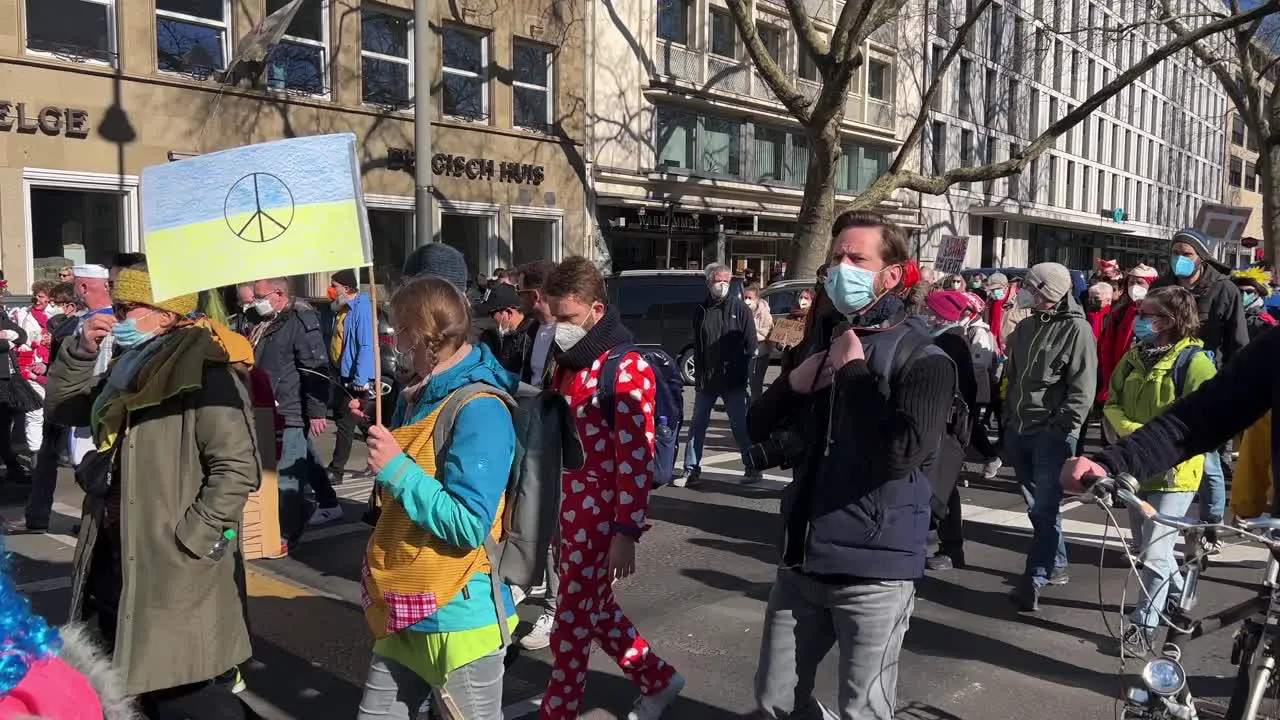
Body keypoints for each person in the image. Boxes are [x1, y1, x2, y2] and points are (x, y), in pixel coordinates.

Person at [747, 211, 956, 720]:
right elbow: (756, 429)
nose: (842, 268)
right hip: (801, 558)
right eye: (836, 258)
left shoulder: (927, 357)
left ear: (893, 274)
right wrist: (793, 385)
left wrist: (855, 371)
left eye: (856, 258)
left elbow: (901, 452)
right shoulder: (824, 340)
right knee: (774, 699)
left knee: (863, 708)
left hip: (876, 570)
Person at [44, 266, 258, 717]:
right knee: (120, 684)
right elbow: (64, 407)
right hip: (111, 552)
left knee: (184, 693)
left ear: (166, 314)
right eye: (117, 305)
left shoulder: (206, 371)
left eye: (129, 307)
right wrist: (82, 350)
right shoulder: (129, 366)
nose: (117, 316)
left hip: (169, 563)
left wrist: (192, 539)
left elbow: (237, 467)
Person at [355, 275, 517, 720]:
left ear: (425, 335)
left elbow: (469, 524)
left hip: (459, 612)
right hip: (406, 601)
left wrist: (397, 468)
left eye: (400, 331)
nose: (394, 341)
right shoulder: (418, 394)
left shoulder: (482, 408)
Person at [539, 257, 684, 720]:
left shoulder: (625, 368)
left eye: (567, 318)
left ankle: (557, 711)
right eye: (554, 317)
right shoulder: (570, 363)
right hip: (569, 507)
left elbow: (635, 459)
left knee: (572, 621)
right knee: (592, 608)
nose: (559, 328)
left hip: (600, 514)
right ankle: (658, 678)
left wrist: (627, 531)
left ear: (597, 310)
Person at [1100, 286, 1216, 654]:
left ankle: (1143, 626)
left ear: (1172, 320)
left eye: (1148, 314)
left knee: (1152, 553)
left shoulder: (1196, 363)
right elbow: (1111, 401)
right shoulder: (1135, 356)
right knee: (1152, 551)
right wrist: (1135, 434)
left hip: (1174, 474)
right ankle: (1182, 592)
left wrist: (1148, 438)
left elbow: (1202, 420)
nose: (1140, 320)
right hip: (1137, 470)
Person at [1003, 262, 1097, 612]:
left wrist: (1060, 429)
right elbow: (1013, 380)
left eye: (1032, 287)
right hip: (1020, 431)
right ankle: (1056, 564)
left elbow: (1082, 391)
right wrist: (1009, 420)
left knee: (1043, 508)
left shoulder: (1078, 331)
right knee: (1038, 509)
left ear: (1050, 292)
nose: (1024, 292)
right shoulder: (1026, 326)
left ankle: (1035, 577)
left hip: (1051, 436)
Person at [1151, 229, 1249, 545]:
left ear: (1201, 257)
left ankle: (1210, 526)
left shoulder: (1225, 291)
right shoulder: (1162, 287)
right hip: (1165, 382)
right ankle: (1156, 527)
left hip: (1209, 384)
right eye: (1175, 252)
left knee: (1208, 462)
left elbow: (1239, 343)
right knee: (1161, 452)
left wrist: (1235, 388)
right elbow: (1148, 330)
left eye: (1187, 253)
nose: (1179, 258)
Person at [249, 277, 337, 544]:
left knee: (288, 478)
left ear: (278, 294)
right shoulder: (266, 321)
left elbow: (315, 368)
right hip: (268, 407)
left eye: (260, 296)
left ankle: (288, 533)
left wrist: (317, 410)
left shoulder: (299, 321)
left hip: (289, 408)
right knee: (281, 470)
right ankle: (299, 514)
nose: (256, 301)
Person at [512, 260, 562, 653]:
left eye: (526, 294)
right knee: (532, 519)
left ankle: (556, 607)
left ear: (539, 294)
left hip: (560, 442)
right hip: (532, 430)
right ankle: (528, 582)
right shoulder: (532, 330)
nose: (523, 302)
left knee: (557, 527)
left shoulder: (569, 334)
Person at [920, 290, 984, 571]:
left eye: (929, 310)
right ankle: (944, 545)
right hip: (941, 425)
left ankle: (951, 548)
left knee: (943, 488)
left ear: (939, 315)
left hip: (945, 427)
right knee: (939, 486)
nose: (925, 314)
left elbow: (960, 390)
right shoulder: (945, 338)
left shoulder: (951, 342)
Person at [681, 263, 758, 485]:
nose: (723, 285)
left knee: (740, 426)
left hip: (733, 381)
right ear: (708, 283)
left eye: (726, 281)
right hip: (707, 380)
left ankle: (752, 467)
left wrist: (740, 368)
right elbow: (698, 344)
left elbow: (750, 343)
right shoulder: (701, 310)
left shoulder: (740, 309)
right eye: (718, 281)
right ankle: (691, 469)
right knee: (697, 425)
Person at [20, 282, 78, 533]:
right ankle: (37, 516)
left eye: (54, 303)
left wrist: (48, 372)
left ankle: (38, 517)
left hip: (67, 402)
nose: (50, 308)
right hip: (65, 401)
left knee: (60, 460)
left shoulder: (70, 327)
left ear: (68, 306)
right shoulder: (70, 325)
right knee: (54, 459)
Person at [326, 269, 376, 487]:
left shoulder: (362, 308)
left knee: (345, 423)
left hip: (356, 376)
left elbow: (365, 344)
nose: (330, 290)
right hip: (342, 373)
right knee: (362, 421)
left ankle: (336, 470)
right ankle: (384, 456)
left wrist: (360, 377)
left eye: (334, 286)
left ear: (346, 288)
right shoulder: (341, 308)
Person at [1097, 264, 1158, 412]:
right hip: (1119, 380)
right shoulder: (1119, 313)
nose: (1135, 286)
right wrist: (1109, 384)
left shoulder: (1161, 314)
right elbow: (1106, 351)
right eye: (1131, 282)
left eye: (1140, 282)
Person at [10, 281, 56, 472]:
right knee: (35, 411)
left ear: (50, 298)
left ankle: (53, 451)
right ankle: (35, 453)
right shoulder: (24, 315)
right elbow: (20, 339)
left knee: (55, 411)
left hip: (54, 369)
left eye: (42, 295)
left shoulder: (60, 316)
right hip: (30, 368)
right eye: (36, 295)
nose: (37, 299)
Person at [475, 281, 534, 377]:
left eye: (492, 315)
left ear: (508, 313)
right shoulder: (507, 337)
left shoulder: (530, 339)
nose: (490, 319)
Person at [745, 282, 774, 401]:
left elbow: (768, 332)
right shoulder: (745, 311)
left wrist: (751, 332)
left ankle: (755, 412)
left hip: (759, 354)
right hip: (746, 352)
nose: (747, 300)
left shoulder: (764, 313)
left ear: (757, 299)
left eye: (749, 298)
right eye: (745, 297)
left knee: (755, 385)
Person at [1231, 267, 1278, 341]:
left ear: (1257, 294)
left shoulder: (1263, 323)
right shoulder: (1231, 313)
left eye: (1248, 292)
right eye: (1240, 292)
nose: (1243, 295)